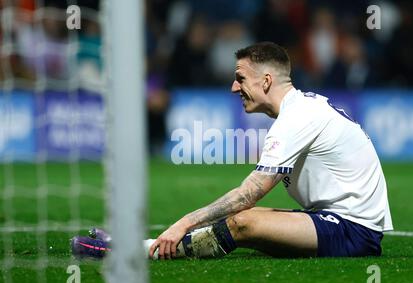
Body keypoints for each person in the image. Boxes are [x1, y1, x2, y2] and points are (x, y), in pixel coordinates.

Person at [71, 42, 393, 260]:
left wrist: (183, 222)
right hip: (329, 220)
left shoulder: (299, 117)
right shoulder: (300, 110)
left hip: (352, 231)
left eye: (240, 78)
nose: (234, 87)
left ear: (266, 81)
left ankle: (128, 251)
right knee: (241, 221)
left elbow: (247, 195)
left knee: (243, 222)